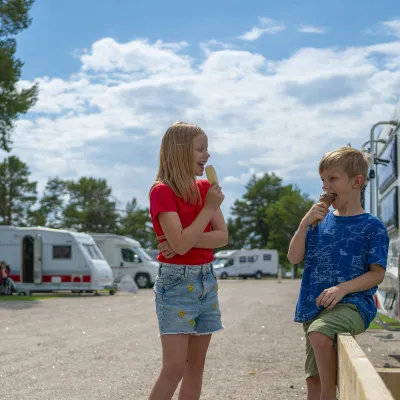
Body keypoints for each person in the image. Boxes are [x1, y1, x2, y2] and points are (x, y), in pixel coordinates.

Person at [287, 147, 389, 400]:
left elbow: (377, 274)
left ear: (357, 182)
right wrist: (303, 224)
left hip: (353, 305)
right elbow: (293, 257)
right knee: (313, 380)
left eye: (332, 179)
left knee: (320, 333)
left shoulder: (371, 226)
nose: (325, 187)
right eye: (322, 180)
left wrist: (342, 288)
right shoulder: (318, 221)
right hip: (315, 306)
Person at [148, 121, 228, 400]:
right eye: (200, 149)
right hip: (176, 283)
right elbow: (181, 245)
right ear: (180, 151)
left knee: (195, 367)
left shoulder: (206, 186)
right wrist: (208, 209)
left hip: (206, 279)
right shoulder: (161, 191)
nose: (207, 155)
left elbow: (222, 237)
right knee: (174, 369)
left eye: (207, 149)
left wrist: (182, 240)